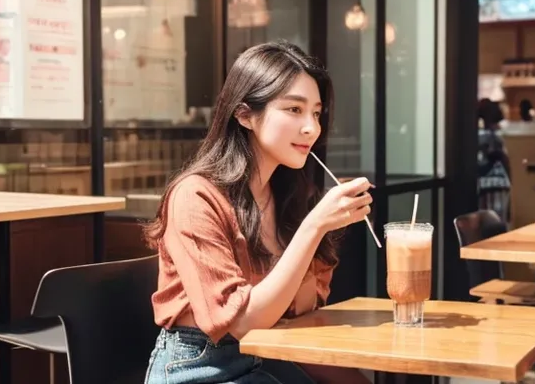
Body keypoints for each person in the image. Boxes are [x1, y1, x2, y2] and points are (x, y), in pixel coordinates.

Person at [143, 41, 373, 384]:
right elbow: (242, 322)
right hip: (196, 370)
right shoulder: (194, 197)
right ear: (245, 114)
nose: (311, 128)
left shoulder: (290, 197)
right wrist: (313, 228)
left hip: (264, 358)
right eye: (294, 110)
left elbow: (300, 316)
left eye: (316, 113)